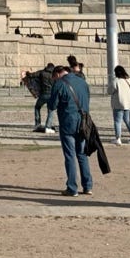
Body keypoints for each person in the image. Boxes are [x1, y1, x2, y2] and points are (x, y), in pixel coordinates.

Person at [51, 64, 93, 196]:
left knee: (70, 155)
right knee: (82, 154)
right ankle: (87, 186)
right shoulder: (82, 82)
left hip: (68, 122)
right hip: (83, 122)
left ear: (57, 74)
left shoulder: (59, 84)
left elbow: (52, 105)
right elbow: (87, 100)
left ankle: (72, 187)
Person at [110, 64, 130, 145]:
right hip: (129, 103)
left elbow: (111, 90)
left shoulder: (116, 80)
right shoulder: (128, 79)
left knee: (117, 121)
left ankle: (118, 138)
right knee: (128, 120)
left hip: (119, 103)